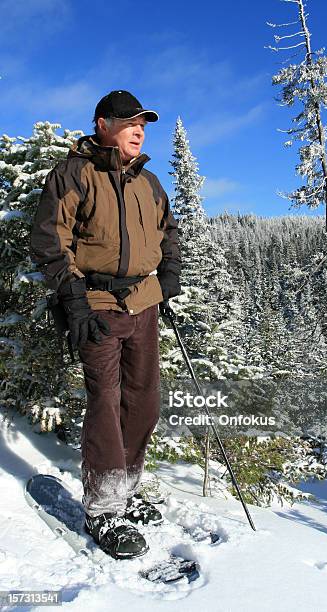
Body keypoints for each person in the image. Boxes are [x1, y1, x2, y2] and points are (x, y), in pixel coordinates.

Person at [30, 90, 181, 560]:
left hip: (143, 302)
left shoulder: (149, 182)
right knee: (106, 400)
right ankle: (104, 508)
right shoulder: (73, 174)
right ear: (102, 125)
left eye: (144, 123)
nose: (139, 129)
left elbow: (168, 232)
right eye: (129, 122)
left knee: (143, 399)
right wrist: (73, 300)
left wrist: (170, 275)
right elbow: (49, 240)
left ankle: (128, 488)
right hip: (95, 302)